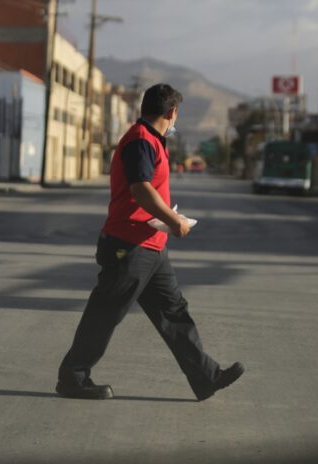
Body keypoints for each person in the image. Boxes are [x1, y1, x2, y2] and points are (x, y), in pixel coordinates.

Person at [56, 84, 244, 401]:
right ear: (172, 112)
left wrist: (168, 219)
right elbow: (140, 189)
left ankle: (205, 377)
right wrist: (175, 221)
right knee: (106, 312)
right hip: (128, 245)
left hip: (152, 246)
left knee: (174, 312)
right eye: (176, 115)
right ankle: (73, 378)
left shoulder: (153, 140)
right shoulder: (141, 140)